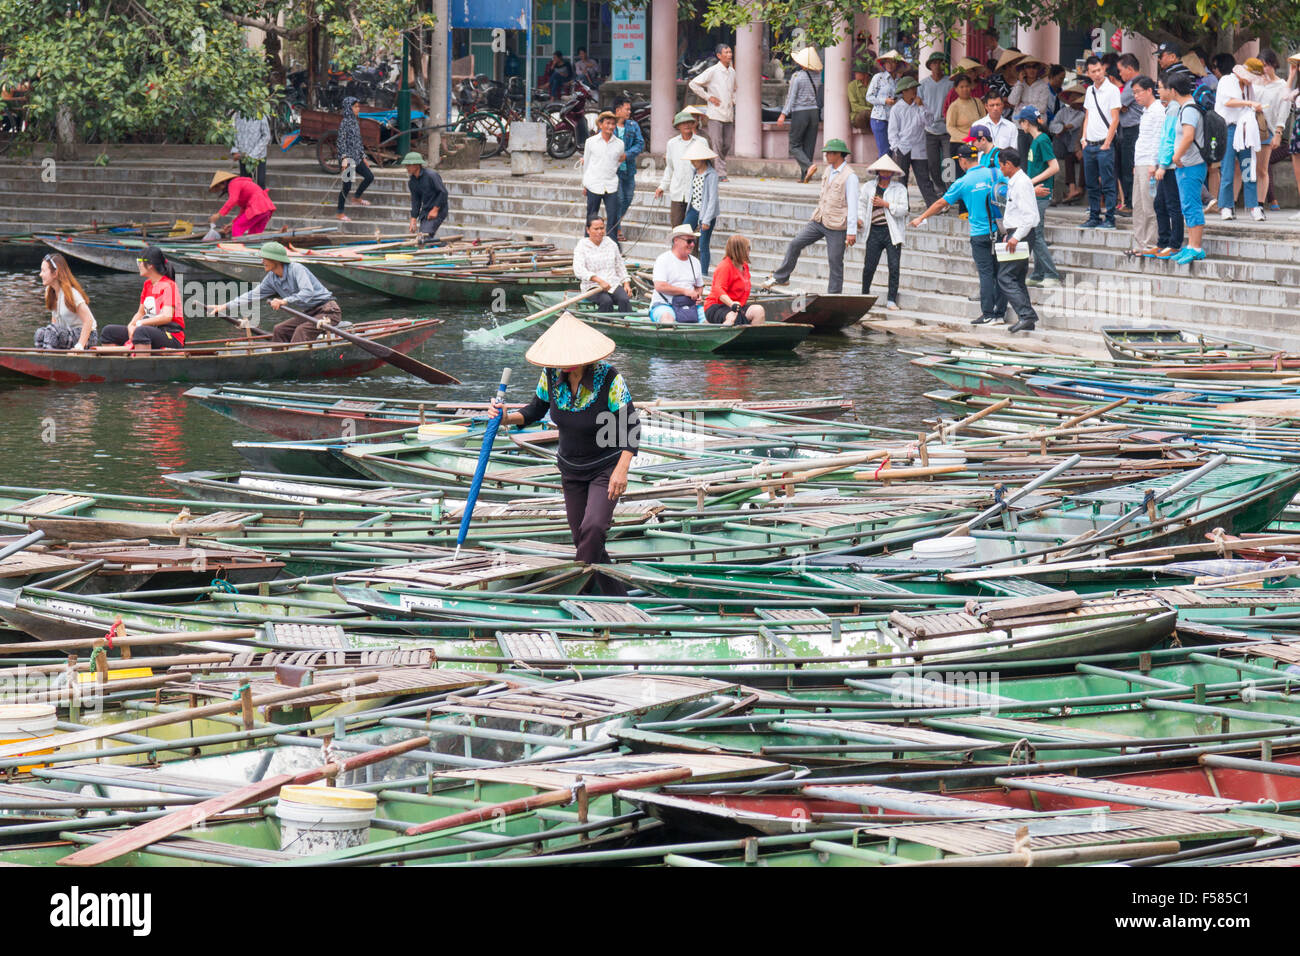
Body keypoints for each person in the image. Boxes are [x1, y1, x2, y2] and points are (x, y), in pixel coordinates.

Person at [491, 313, 639, 596]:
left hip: (605, 468)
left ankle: (571, 594)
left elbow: (631, 426)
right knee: (583, 538)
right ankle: (616, 598)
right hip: (571, 470)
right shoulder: (550, 376)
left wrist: (622, 469)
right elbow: (534, 411)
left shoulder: (609, 378)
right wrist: (505, 418)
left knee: (594, 528)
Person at [911, 144, 1005, 325]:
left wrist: (921, 217)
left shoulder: (963, 182)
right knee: (999, 272)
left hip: (979, 233)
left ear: (962, 161)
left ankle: (988, 314)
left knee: (985, 273)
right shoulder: (995, 174)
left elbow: (940, 204)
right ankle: (1000, 313)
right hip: (999, 230)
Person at [762, 139, 858, 294]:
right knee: (795, 243)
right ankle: (782, 276)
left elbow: (853, 205)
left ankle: (834, 295)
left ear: (839, 154)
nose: (826, 156)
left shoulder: (850, 176)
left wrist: (851, 231)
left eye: (829, 153)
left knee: (835, 261)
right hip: (819, 219)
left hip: (837, 224)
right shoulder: (828, 171)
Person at [208, 241, 342, 342]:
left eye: (265, 258)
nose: (262, 261)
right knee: (279, 329)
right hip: (310, 314)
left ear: (275, 260)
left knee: (302, 330)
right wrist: (224, 306)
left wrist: (284, 301)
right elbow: (251, 295)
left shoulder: (296, 269)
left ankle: (293, 360)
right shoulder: (271, 278)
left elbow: (308, 292)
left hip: (328, 311)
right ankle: (277, 358)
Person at [99, 247, 184, 350]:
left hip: (171, 335)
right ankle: (118, 362)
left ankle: (140, 363)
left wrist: (140, 324)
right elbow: (140, 313)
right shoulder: (147, 284)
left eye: (139, 261)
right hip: (148, 330)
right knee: (108, 332)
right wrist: (131, 325)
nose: (138, 265)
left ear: (150, 265)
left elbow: (166, 316)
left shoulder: (169, 286)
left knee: (141, 331)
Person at [993, 149, 1040, 333]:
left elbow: (1029, 216)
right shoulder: (1017, 182)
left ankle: (1027, 315)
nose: (1000, 168)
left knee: (1005, 276)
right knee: (1017, 278)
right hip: (1017, 233)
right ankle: (1026, 317)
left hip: (1022, 234)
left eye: (1001, 164)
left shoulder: (1021, 183)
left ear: (1009, 165)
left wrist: (1016, 237)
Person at [1016, 106, 1062, 287]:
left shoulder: (1042, 140)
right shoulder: (1036, 140)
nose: (1021, 126)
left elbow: (1054, 167)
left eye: (1021, 122)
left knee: (1036, 233)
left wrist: (1031, 182)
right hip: (1034, 192)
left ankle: (1051, 274)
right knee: (1034, 233)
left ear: (1026, 122)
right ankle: (1038, 273)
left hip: (1041, 193)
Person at [1215, 58, 1265, 221]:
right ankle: (1226, 206)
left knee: (1248, 168)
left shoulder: (1249, 86)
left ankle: (1253, 206)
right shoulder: (1227, 80)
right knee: (1227, 169)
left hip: (1245, 129)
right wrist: (1250, 102)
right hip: (1228, 128)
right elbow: (1228, 102)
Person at [857, 154, 908, 310]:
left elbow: (903, 210)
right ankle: (865, 295)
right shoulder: (868, 187)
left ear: (892, 173)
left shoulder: (899, 189)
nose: (885, 174)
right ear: (878, 172)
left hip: (891, 231)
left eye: (888, 171)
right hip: (873, 230)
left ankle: (891, 299)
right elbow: (861, 205)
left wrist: (886, 204)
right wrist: (859, 220)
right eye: (883, 171)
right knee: (869, 266)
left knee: (894, 266)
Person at [1169, 71, 1208, 262]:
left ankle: (1196, 247)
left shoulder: (1189, 109)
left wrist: (1176, 156)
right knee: (1187, 205)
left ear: (1174, 91)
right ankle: (1191, 245)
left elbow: (1188, 136)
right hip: (1188, 165)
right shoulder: (1187, 107)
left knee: (1192, 205)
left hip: (1191, 164)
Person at [1081, 55, 1121, 228]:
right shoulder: (1090, 91)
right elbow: (1088, 115)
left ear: (1103, 69)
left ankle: (1110, 218)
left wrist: (1107, 143)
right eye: (1093, 71)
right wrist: (1083, 138)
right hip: (1089, 143)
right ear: (1088, 73)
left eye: (1099, 70)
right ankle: (1094, 216)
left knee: (1108, 183)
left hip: (1104, 143)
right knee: (1091, 184)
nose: (1097, 74)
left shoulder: (1112, 90)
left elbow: (1115, 119)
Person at [688, 43, 736, 180]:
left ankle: (712, 165)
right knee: (717, 143)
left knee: (727, 144)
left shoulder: (732, 72)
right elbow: (693, 84)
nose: (729, 55)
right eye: (726, 52)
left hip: (728, 114)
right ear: (719, 56)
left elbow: (735, 89)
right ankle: (721, 173)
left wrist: (734, 100)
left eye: (730, 52)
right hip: (715, 113)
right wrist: (709, 97)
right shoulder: (713, 70)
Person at [1151, 73, 1186, 258]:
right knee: (1161, 204)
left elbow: (1169, 139)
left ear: (1171, 90)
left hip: (1170, 166)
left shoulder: (1173, 109)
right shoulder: (1171, 108)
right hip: (1167, 164)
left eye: (1160, 87)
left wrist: (1163, 165)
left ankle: (1174, 243)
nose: (1158, 91)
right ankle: (1163, 241)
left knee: (1172, 205)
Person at [1128, 77, 1165, 256]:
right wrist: (1136, 163)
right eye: (1134, 93)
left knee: (1149, 205)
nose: (1136, 96)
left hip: (1149, 163)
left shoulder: (1158, 110)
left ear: (1149, 90)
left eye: (1138, 92)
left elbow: (1157, 138)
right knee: (1138, 204)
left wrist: (1153, 163)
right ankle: (1140, 242)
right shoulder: (1146, 111)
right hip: (1140, 162)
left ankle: (1151, 243)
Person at [776, 47, 824, 182]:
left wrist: (783, 114)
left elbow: (791, 97)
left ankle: (809, 166)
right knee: (809, 145)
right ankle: (804, 177)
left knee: (794, 145)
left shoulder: (797, 76)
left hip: (800, 113)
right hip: (814, 112)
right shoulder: (818, 75)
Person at [655, 112, 710, 226]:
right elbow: (670, 168)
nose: (687, 125)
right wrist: (662, 186)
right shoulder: (672, 144)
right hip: (678, 192)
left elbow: (708, 167)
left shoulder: (701, 142)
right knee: (677, 228)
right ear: (678, 126)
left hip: (697, 194)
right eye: (683, 123)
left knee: (694, 231)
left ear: (693, 124)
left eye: (689, 122)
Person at [35, 253, 97, 350]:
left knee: (51, 332)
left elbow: (88, 321)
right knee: (40, 333)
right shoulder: (49, 291)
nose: (40, 274)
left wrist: (80, 346)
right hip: (66, 333)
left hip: (87, 336)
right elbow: (54, 321)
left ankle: (48, 359)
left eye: (43, 271)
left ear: (55, 273)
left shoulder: (72, 294)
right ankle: (40, 357)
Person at [572, 216, 632, 313]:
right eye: (596, 229)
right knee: (606, 301)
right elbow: (579, 269)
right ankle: (604, 325)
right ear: (588, 230)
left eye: (602, 228)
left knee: (624, 299)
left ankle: (626, 323)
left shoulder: (611, 243)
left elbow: (619, 266)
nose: (600, 232)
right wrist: (598, 280)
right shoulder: (582, 245)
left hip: (612, 283)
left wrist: (626, 283)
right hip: (593, 286)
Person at [581, 111, 625, 239]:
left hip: (611, 184)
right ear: (600, 125)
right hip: (593, 183)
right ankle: (587, 242)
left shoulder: (619, 144)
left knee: (613, 216)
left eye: (613, 124)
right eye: (607, 123)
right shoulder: (590, 142)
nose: (610, 127)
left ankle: (612, 244)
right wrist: (585, 184)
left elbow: (617, 162)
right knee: (591, 215)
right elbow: (587, 163)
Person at [888, 76, 932, 203]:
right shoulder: (897, 109)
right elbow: (892, 131)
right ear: (904, 92)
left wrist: (922, 107)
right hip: (903, 147)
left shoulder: (921, 104)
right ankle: (902, 205)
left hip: (919, 146)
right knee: (902, 179)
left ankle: (933, 205)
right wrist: (896, 147)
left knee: (924, 178)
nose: (914, 91)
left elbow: (929, 122)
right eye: (911, 88)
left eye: (915, 88)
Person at [704, 235, 765, 326]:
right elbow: (718, 289)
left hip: (738, 306)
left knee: (758, 311)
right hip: (717, 306)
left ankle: (753, 338)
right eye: (748, 248)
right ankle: (720, 336)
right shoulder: (725, 266)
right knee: (732, 316)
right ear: (740, 250)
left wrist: (736, 305)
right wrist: (731, 303)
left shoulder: (744, 266)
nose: (749, 251)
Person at [650, 225, 705, 323]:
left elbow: (699, 286)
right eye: (689, 241)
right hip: (664, 304)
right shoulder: (663, 259)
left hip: (689, 305)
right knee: (667, 319)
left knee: (708, 319)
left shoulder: (695, 262)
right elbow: (660, 286)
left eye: (694, 241)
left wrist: (697, 295)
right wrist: (685, 291)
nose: (692, 244)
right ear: (676, 240)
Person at [682, 140, 720, 273]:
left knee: (703, 245)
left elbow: (712, 200)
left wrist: (706, 220)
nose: (693, 162)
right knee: (681, 236)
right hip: (694, 209)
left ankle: (703, 273)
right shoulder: (694, 172)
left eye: (695, 160)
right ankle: (683, 268)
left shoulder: (712, 175)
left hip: (706, 213)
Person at [1257, 50, 1288, 211]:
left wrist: (1278, 132)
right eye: (1260, 65)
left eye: (1266, 65)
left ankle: (1266, 201)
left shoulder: (1281, 85)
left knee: (1263, 166)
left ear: (1273, 64)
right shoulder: (1255, 82)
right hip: (1251, 130)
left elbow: (1283, 109)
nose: (1264, 69)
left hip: (1269, 130)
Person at [919, 52, 953, 199]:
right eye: (934, 63)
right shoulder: (923, 84)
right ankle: (939, 190)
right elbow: (919, 105)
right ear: (930, 66)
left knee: (948, 161)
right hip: (929, 129)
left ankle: (951, 190)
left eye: (940, 63)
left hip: (946, 129)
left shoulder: (950, 83)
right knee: (933, 163)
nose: (937, 66)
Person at [612, 96, 645, 241]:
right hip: (614, 171)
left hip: (629, 169)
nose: (629, 112)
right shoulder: (609, 125)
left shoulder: (633, 125)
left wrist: (627, 154)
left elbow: (640, 143)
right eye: (627, 109)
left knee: (628, 197)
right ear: (618, 110)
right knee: (618, 199)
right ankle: (616, 228)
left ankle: (614, 223)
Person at [1116, 53, 1145, 215]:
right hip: (1128, 129)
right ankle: (1128, 201)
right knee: (1125, 167)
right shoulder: (1133, 84)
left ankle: (1130, 203)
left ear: (1129, 68)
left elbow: (1117, 105)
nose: (1119, 74)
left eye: (1121, 70)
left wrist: (1122, 106)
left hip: (1132, 130)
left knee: (1128, 167)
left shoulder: (1134, 84)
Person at [335, 97, 373, 222]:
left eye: (358, 106)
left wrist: (363, 157)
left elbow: (358, 142)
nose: (358, 108)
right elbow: (341, 142)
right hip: (348, 159)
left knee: (369, 176)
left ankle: (356, 197)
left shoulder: (355, 122)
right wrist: (344, 158)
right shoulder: (345, 123)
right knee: (346, 186)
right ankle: (340, 212)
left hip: (357, 157)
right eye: (355, 106)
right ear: (348, 108)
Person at [208, 170, 275, 239]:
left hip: (258, 208)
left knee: (237, 227)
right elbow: (244, 210)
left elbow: (232, 200)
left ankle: (237, 247)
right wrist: (233, 222)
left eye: (218, 187)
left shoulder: (233, 184)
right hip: (265, 209)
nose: (220, 190)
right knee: (254, 235)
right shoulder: (239, 183)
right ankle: (250, 248)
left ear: (223, 183)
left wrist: (218, 214)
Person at [1050, 84, 1086, 203]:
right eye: (1071, 97)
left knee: (1083, 160)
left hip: (1080, 147)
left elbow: (1073, 125)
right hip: (1067, 147)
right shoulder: (1063, 112)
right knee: (1068, 159)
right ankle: (1072, 189)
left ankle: (1080, 188)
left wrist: (1061, 128)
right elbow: (1053, 125)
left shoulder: (1083, 114)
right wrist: (1060, 129)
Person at [1009, 56, 1051, 155]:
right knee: (1022, 157)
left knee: (1035, 156)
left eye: (1034, 67)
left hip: (1036, 127)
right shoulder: (1020, 84)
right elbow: (1012, 101)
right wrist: (1020, 83)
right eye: (1028, 67)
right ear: (1024, 70)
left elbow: (1042, 107)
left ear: (1038, 70)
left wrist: (1023, 107)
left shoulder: (1043, 86)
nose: (1031, 70)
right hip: (1020, 126)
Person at [404, 150, 448, 241]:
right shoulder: (412, 181)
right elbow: (416, 201)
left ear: (417, 165)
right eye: (406, 165)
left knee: (425, 235)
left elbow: (443, 192)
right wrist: (413, 219)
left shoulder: (431, 175)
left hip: (439, 208)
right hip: (426, 210)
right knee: (422, 236)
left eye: (409, 165)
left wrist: (435, 209)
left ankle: (444, 245)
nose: (407, 168)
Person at [866, 50, 903, 159]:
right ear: (884, 64)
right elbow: (869, 97)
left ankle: (885, 175)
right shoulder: (878, 78)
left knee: (891, 150)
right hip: (879, 118)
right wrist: (884, 101)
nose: (890, 65)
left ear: (897, 64)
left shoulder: (900, 81)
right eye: (887, 62)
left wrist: (897, 101)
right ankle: (881, 175)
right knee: (884, 150)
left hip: (894, 119)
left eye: (893, 62)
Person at [946, 74, 986, 153]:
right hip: (959, 144)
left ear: (971, 87)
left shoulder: (977, 102)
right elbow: (950, 127)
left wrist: (980, 138)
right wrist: (967, 139)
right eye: (961, 87)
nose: (965, 89)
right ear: (956, 89)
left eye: (967, 86)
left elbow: (984, 121)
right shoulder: (954, 106)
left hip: (977, 143)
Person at [231, 110, 270, 188]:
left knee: (260, 183)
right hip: (243, 156)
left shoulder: (260, 115)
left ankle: (260, 200)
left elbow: (266, 136)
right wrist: (235, 151)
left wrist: (253, 154)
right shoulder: (237, 116)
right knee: (245, 184)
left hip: (259, 156)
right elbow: (233, 134)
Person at [848, 61, 872, 133]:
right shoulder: (852, 86)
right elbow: (854, 106)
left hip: (873, 115)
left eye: (858, 72)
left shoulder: (874, 84)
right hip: (858, 116)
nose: (855, 74)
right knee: (865, 113)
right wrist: (870, 110)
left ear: (866, 75)